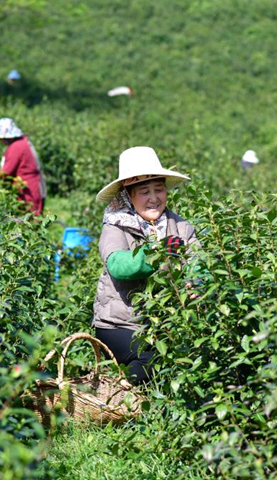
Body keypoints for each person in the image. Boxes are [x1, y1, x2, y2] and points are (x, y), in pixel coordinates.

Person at [93, 146, 197, 385]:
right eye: (144, 192)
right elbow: (119, 265)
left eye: (158, 189)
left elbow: (198, 263)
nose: (153, 198)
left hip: (166, 321)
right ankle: (119, 396)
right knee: (150, 359)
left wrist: (196, 284)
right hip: (120, 323)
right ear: (129, 196)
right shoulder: (115, 226)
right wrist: (156, 254)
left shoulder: (181, 227)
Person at [0, 118, 47, 215]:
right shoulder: (22, 143)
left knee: (29, 219)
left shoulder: (16, 147)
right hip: (31, 187)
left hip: (28, 190)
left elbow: (6, 172)